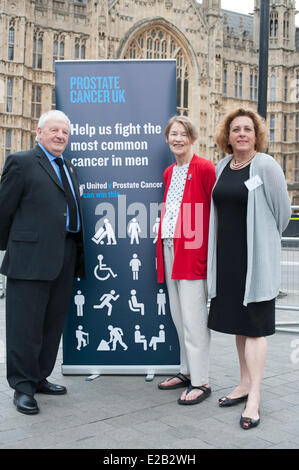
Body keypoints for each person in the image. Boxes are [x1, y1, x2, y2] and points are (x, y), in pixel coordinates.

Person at [207, 108, 291, 429]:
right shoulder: (221, 167)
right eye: (235, 129)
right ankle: (243, 383)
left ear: (256, 135)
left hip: (255, 260)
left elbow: (282, 214)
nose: (241, 134)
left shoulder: (266, 165)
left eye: (247, 129)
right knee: (240, 327)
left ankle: (254, 395)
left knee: (255, 327)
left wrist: (264, 241)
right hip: (228, 260)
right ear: (227, 137)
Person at [0, 110, 86, 415]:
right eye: (54, 130)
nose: (60, 136)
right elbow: (4, 210)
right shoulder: (22, 163)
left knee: (51, 323)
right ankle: (22, 387)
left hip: (64, 254)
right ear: (39, 132)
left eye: (65, 132)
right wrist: (13, 248)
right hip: (30, 258)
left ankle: (39, 377)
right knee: (25, 326)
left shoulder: (69, 168)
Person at [156, 115, 215, 405]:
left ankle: (201, 381)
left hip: (192, 252)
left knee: (194, 319)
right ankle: (186, 370)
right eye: (173, 134)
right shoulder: (169, 172)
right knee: (179, 316)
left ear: (192, 138)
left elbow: (214, 213)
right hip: (169, 248)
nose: (177, 139)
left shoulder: (204, 168)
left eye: (182, 134)